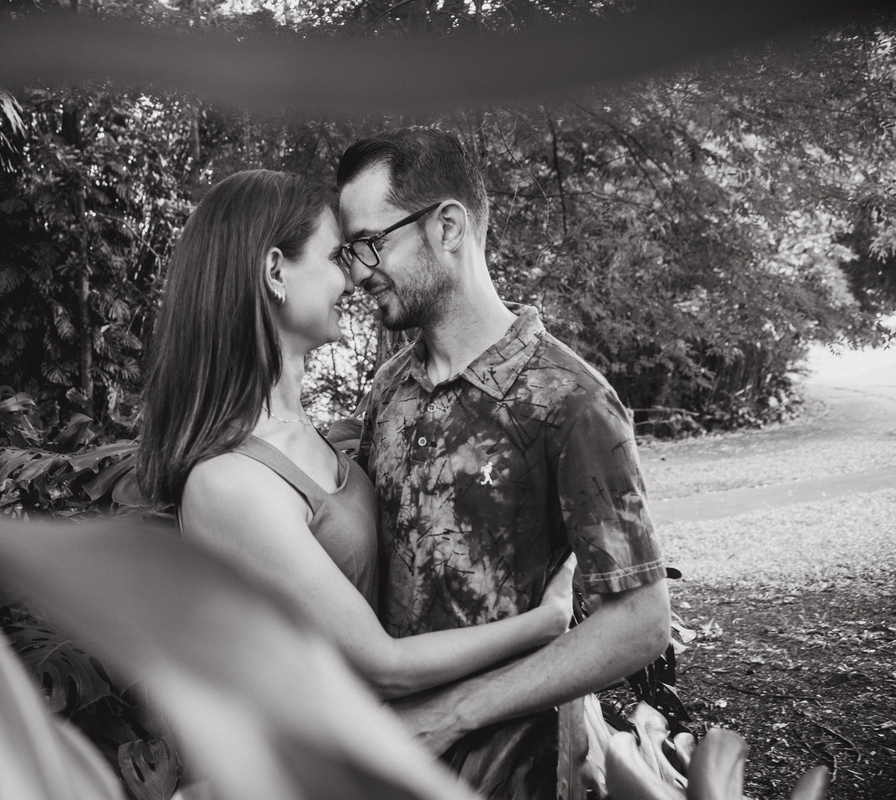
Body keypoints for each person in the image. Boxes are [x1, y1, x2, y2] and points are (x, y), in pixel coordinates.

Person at [136, 169, 577, 701]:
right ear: (275, 272)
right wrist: (546, 619)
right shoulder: (230, 482)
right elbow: (383, 667)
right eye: (335, 258)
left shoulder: (303, 430)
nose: (352, 281)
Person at [334, 127, 672, 800]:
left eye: (371, 243)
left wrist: (455, 713)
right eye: (350, 252)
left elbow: (641, 623)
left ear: (447, 227)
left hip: (517, 774)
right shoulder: (390, 389)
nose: (358, 272)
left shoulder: (571, 400)